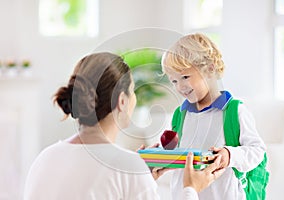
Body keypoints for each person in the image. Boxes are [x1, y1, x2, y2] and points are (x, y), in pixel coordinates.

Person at [23, 52, 224, 200]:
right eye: (132, 91)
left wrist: (139, 182)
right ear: (122, 101)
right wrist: (190, 189)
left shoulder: (45, 158)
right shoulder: (129, 168)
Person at [161, 33, 267, 200]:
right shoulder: (180, 115)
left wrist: (229, 155)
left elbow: (257, 151)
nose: (180, 86)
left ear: (210, 69)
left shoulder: (234, 111)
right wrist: (159, 156)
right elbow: (179, 157)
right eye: (174, 81)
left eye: (185, 77)